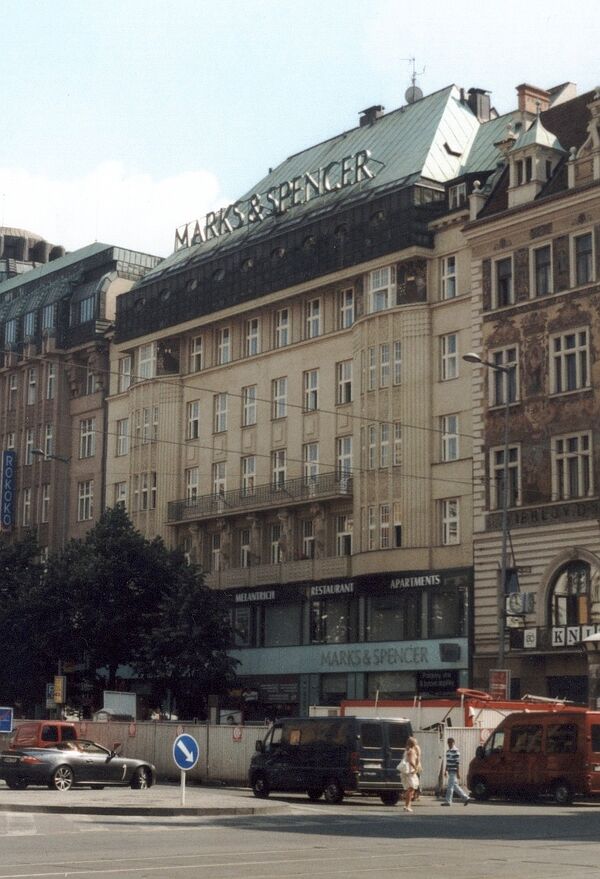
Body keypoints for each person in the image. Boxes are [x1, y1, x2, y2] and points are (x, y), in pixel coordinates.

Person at [442, 737, 471, 805]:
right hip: (450, 771)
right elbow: (448, 762)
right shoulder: (448, 751)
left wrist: (458, 772)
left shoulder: (456, 751)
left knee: (450, 786)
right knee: (455, 787)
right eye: (448, 743)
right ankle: (466, 798)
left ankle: (448, 801)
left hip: (454, 771)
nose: (449, 744)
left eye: (450, 743)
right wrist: (446, 770)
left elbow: (457, 763)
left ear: (453, 743)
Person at [401, 736, 420, 812]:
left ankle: (407, 805)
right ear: (413, 744)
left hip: (407, 771)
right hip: (410, 771)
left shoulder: (406, 750)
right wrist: (416, 768)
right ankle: (407, 806)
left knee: (410, 788)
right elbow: (411, 761)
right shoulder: (411, 751)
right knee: (411, 788)